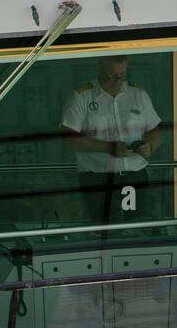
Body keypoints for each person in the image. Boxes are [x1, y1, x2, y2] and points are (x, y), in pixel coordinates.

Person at [60, 57, 162, 228]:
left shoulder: (138, 95)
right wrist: (107, 148)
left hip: (133, 175)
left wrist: (150, 146)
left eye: (121, 75)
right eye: (111, 75)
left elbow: (154, 130)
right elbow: (68, 137)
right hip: (98, 177)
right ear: (100, 66)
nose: (116, 80)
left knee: (134, 228)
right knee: (103, 230)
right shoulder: (82, 96)